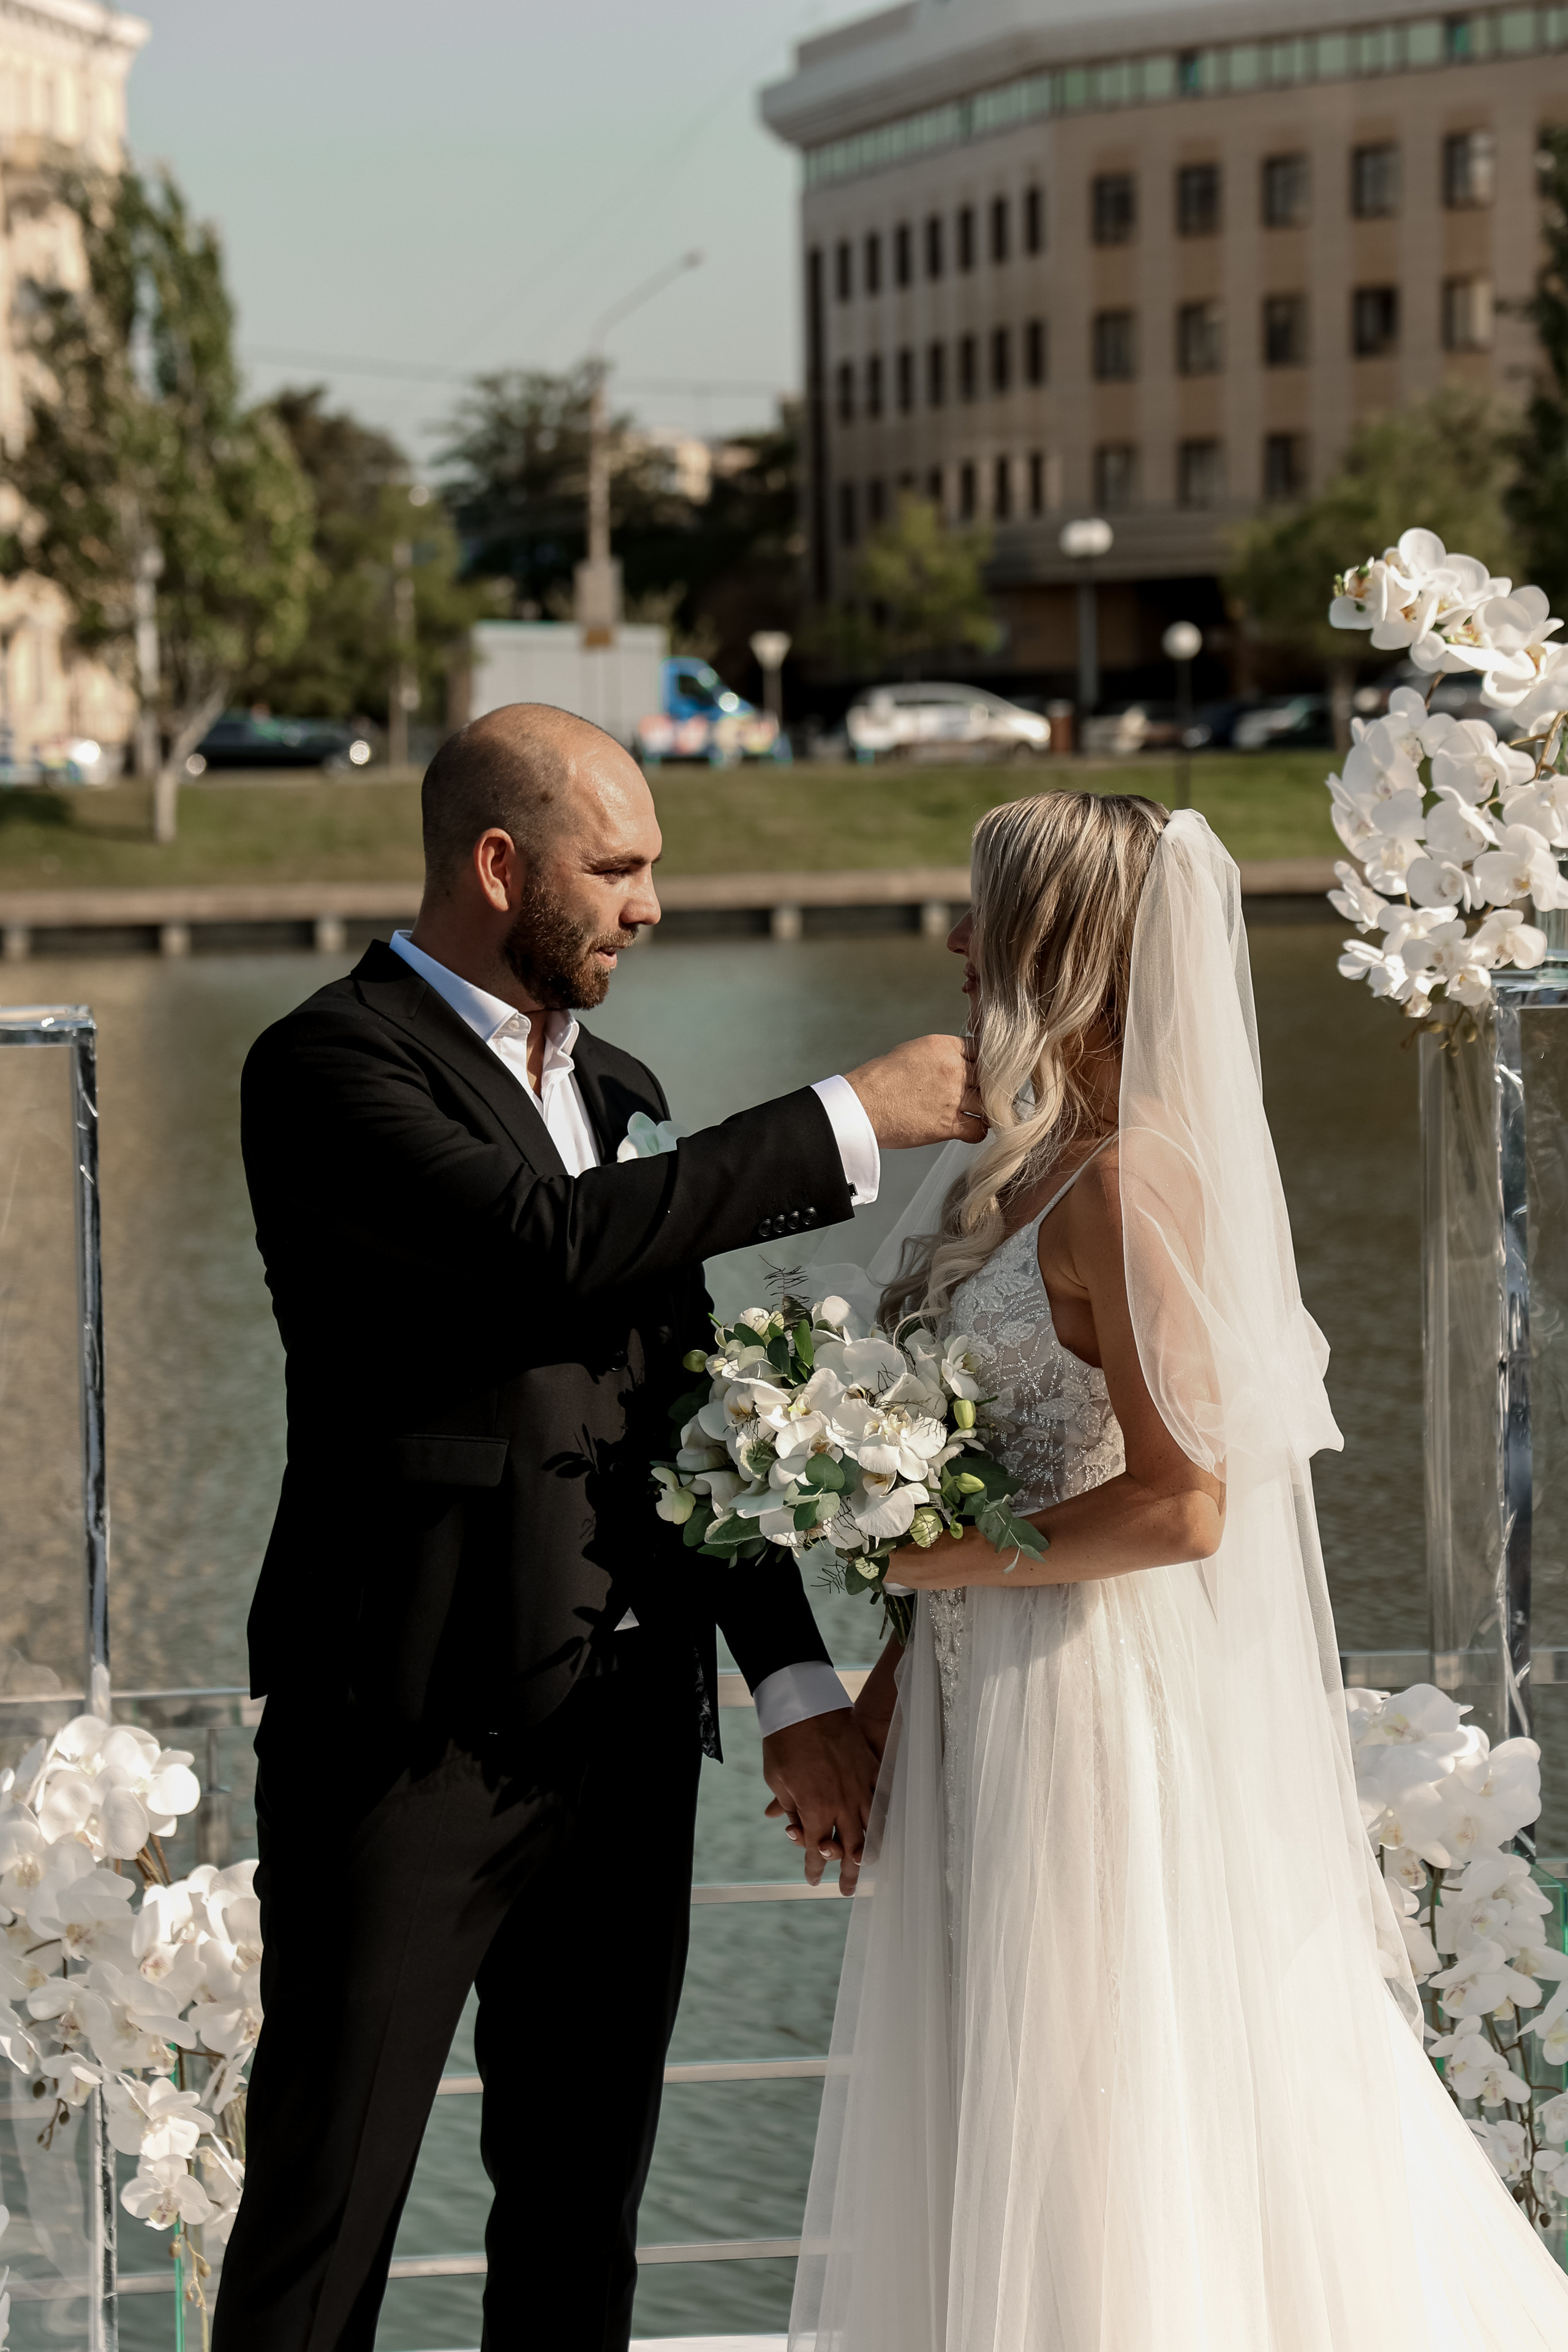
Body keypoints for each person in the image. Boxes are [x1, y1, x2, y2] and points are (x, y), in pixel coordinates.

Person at [212, 703, 983, 2352]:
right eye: (615, 867)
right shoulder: (329, 1067)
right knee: (321, 2223)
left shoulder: (624, 1087)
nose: (646, 906)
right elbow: (543, 1244)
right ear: (500, 867)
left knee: (579, 2231)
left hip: (627, 1743)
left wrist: (791, 1690)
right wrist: (849, 1117)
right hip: (404, 1743)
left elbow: (695, 1411)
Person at [786, 794, 1568, 2350]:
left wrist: (928, 1555)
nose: (954, 946)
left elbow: (1181, 1506)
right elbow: (977, 1492)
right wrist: (877, 1699)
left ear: (1056, 951)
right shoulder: (994, 1177)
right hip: (965, 1694)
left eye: (982, 921)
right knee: (988, 2089)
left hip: (1087, 1703)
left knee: (1091, 2102)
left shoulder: (1130, 1186)